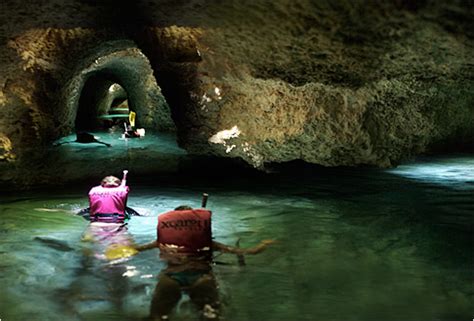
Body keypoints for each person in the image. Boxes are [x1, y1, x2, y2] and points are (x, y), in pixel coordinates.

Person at [132, 205, 274, 321]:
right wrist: (264, 245)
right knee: (211, 317)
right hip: (201, 277)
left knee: (157, 317)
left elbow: (136, 249)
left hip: (171, 277)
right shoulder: (209, 243)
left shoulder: (161, 242)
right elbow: (249, 251)